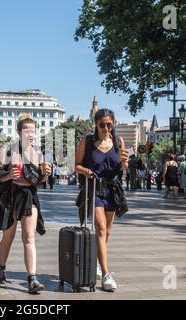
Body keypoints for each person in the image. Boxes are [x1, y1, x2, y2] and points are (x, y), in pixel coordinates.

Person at [0, 113, 52, 294]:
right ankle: (1, 269)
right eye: (27, 131)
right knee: (8, 238)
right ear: (19, 132)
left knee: (29, 237)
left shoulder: (39, 153)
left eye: (33, 131)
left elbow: (39, 181)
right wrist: (9, 175)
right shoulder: (8, 151)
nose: (31, 134)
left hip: (29, 196)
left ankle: (32, 279)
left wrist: (46, 175)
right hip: (11, 196)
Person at [75, 109, 129, 292]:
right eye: (102, 125)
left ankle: (96, 261)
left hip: (112, 189)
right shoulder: (88, 142)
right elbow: (76, 166)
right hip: (94, 188)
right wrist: (85, 171)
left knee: (107, 232)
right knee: (101, 228)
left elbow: (123, 168)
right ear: (96, 124)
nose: (106, 128)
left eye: (109, 124)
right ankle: (106, 274)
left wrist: (125, 163)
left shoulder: (118, 142)